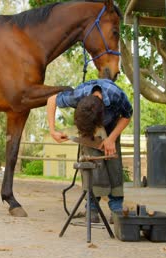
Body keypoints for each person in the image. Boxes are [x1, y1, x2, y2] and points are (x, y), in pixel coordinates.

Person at [46, 79, 133, 223]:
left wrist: (111, 139)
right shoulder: (77, 95)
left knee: (113, 163)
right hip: (87, 126)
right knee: (91, 163)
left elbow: (127, 115)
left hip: (112, 125)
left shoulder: (115, 95)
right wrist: (52, 130)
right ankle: (92, 207)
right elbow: (51, 100)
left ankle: (116, 207)